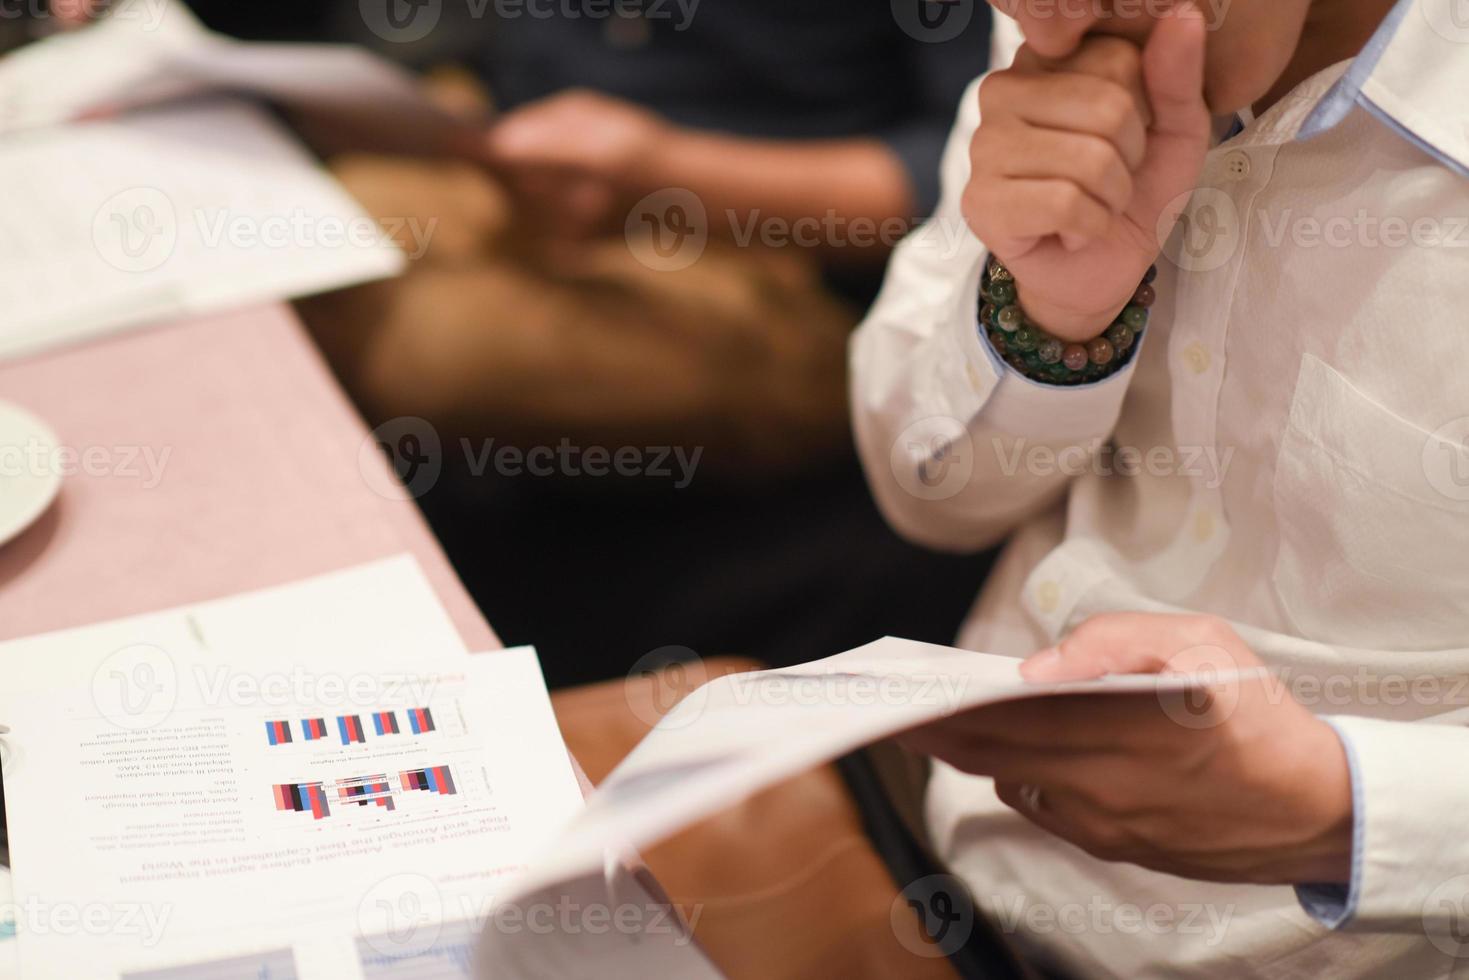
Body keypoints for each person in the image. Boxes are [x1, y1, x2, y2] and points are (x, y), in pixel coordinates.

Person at [849, 0, 1469, 973]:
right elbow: (925, 495)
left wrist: (1343, 810)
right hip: (948, 890)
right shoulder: (1062, 30)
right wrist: (1049, 315)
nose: (1038, 15)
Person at [295, 0, 1000, 684]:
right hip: (517, 149)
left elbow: (962, 177)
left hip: (769, 247)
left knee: (428, 350)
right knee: (280, 242)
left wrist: (671, 174)